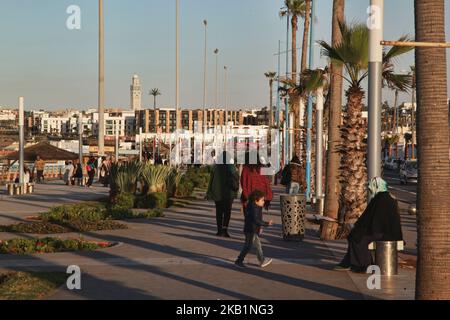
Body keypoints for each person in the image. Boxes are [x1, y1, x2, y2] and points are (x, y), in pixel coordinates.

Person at [334, 177, 403, 273]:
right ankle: (354, 262)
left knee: (358, 238)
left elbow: (373, 220)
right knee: (355, 236)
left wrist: (361, 228)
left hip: (382, 232)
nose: (370, 190)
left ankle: (363, 265)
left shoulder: (381, 199)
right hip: (385, 231)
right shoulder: (386, 197)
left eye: (371, 188)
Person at [235, 190, 274, 268]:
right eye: (262, 200)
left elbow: (256, 220)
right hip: (250, 230)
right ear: (256, 200)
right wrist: (266, 224)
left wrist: (260, 227)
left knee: (257, 245)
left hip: (252, 229)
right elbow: (256, 220)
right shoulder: (254, 208)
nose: (263, 202)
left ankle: (261, 260)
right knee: (248, 246)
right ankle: (239, 261)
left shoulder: (255, 206)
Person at [206, 151, 239, 238]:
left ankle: (219, 230)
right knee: (227, 212)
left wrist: (209, 192)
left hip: (217, 193)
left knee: (219, 212)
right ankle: (225, 230)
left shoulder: (215, 167)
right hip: (229, 194)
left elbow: (211, 181)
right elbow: (236, 179)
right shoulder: (231, 167)